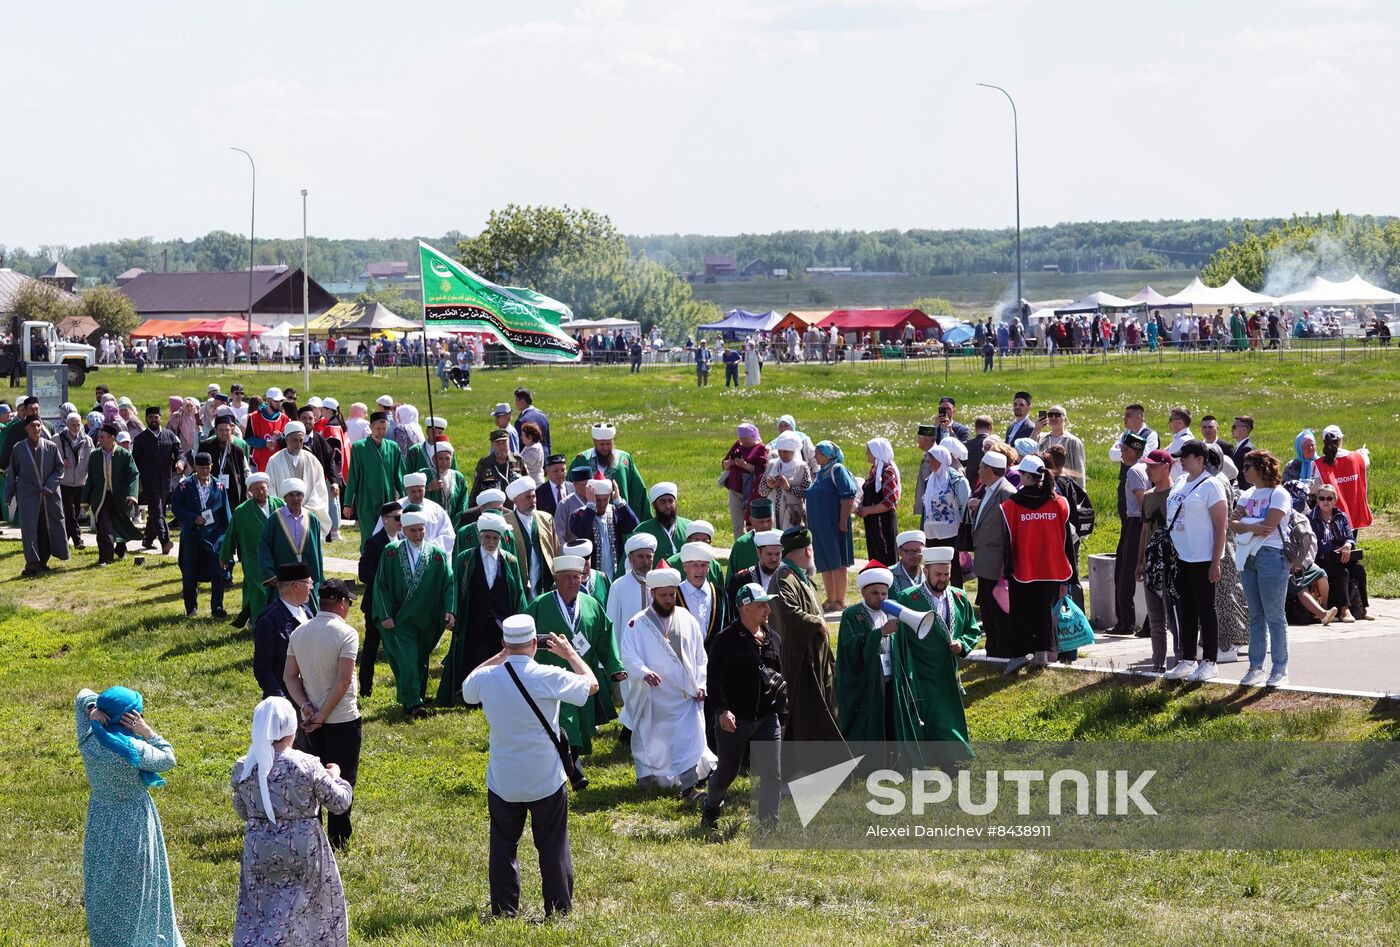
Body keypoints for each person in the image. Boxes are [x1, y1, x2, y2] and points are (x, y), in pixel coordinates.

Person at [461, 614, 597, 918]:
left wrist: (502, 655)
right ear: (536, 643)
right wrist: (571, 654)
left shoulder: (488, 677)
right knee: (553, 846)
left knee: (503, 846)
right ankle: (558, 910)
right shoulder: (548, 674)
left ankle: (504, 910)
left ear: (504, 643)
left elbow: (468, 687)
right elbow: (592, 685)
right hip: (545, 777)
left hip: (503, 778)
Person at [231, 696, 352, 946]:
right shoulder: (306, 764)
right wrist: (336, 777)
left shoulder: (244, 765)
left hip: (259, 847)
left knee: (261, 909)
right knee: (308, 909)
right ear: (291, 727)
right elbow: (339, 803)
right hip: (302, 847)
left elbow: (242, 810)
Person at [76, 686, 183, 947]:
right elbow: (168, 758)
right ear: (128, 718)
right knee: (139, 890)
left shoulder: (88, 739)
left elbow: (82, 695)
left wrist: (92, 710)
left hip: (101, 820)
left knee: (104, 888)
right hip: (133, 824)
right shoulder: (134, 749)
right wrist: (146, 731)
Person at [619, 568, 717, 796]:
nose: (669, 600)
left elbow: (700, 656)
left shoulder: (686, 618)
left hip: (684, 695)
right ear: (652, 593)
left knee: (689, 739)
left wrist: (701, 685)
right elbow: (629, 654)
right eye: (663, 595)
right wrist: (644, 672)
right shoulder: (637, 623)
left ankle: (689, 785)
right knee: (651, 740)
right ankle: (648, 778)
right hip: (653, 696)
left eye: (672, 594)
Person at [283, 579, 362, 849]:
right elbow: (343, 680)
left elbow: (289, 677)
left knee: (311, 781)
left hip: (309, 721)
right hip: (343, 719)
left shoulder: (299, 633)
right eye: (348, 602)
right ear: (341, 603)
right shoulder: (347, 634)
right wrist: (324, 714)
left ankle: (313, 837)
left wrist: (307, 707)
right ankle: (338, 839)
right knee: (341, 779)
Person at [702, 582, 784, 829]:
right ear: (745, 608)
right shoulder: (724, 640)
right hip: (735, 719)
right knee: (727, 772)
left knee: (772, 774)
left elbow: (779, 678)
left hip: (767, 718)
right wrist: (722, 710)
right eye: (761, 605)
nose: (767, 610)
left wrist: (781, 714)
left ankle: (769, 824)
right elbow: (714, 680)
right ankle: (711, 806)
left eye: (767, 604)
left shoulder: (773, 638)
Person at [526, 555, 624, 761]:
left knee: (580, 719)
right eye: (567, 577)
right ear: (556, 579)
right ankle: (569, 763)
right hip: (551, 676)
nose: (573, 582)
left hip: (582, 675)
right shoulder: (540, 604)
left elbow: (605, 636)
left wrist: (615, 666)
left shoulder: (591, 605)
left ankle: (573, 759)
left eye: (576, 577)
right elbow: (525, 639)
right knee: (560, 721)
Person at [890, 546, 979, 758]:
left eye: (946, 574)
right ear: (926, 571)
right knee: (929, 714)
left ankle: (953, 754)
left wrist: (962, 644)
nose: (942, 579)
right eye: (938, 574)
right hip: (920, 669)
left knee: (948, 712)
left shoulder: (959, 596)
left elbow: (972, 629)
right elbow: (899, 636)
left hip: (948, 668)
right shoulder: (908, 597)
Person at [374, 510, 456, 718]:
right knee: (408, 659)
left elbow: (449, 583)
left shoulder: (436, 554)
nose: (418, 535)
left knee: (420, 658)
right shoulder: (391, 552)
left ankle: (415, 694)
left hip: (427, 618)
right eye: (413, 531)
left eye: (421, 530)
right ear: (403, 530)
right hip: (400, 619)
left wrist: (449, 610)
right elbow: (381, 584)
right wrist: (385, 614)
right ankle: (412, 704)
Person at [439, 512, 525, 707]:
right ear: (479, 536)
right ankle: (474, 696)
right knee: (476, 657)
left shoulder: (510, 560)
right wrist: (452, 611)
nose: (491, 542)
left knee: (499, 657)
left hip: (501, 621)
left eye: (495, 538)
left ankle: (498, 695)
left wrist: (520, 621)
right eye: (487, 537)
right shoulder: (466, 558)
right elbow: (454, 586)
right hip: (474, 619)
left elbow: (518, 592)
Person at [768, 527, 844, 747]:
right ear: (808, 550)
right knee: (804, 717)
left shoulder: (800, 577)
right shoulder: (784, 577)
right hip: (800, 660)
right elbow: (789, 611)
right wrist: (817, 622)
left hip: (814, 658)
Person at [999, 455, 1075, 673]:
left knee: (1020, 612)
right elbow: (1066, 540)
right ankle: (1042, 654)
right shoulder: (1059, 503)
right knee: (1044, 611)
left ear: (1024, 476)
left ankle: (1019, 655)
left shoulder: (1011, 505)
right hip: (1051, 568)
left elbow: (1008, 541)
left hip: (1022, 568)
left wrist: (1007, 568)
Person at [1162, 441, 1229, 682]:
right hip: (1180, 556)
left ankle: (1210, 661)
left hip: (1202, 557)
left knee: (1206, 609)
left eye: (1186, 456)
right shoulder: (1181, 481)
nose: (1181, 460)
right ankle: (1188, 659)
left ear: (1200, 459)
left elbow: (1221, 527)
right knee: (1186, 608)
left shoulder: (1212, 485)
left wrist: (1215, 562)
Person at [1230, 449, 1293, 687]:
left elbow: (1269, 526)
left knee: (1275, 615)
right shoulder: (1247, 494)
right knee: (1255, 615)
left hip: (1272, 556)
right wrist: (1251, 526)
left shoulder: (1279, 494)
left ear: (1262, 468)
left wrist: (1247, 524)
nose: (1244, 471)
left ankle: (1280, 669)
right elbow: (1232, 524)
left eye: (1248, 467)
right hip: (1248, 556)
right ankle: (1255, 667)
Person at [170, 452, 231, 617]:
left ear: (212, 467)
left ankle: (217, 607)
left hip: (214, 536)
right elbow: (176, 508)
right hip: (192, 535)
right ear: (195, 467)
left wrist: (229, 536)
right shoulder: (184, 486)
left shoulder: (219, 486)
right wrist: (193, 518)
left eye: (207, 468)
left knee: (218, 570)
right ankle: (191, 608)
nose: (204, 471)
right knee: (190, 570)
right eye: (201, 468)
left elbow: (225, 513)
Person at [1136, 449, 1181, 673]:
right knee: (1156, 620)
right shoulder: (1148, 496)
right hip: (1151, 564)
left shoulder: (1177, 494)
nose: (1148, 470)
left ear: (1166, 467)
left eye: (1153, 466)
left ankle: (1182, 661)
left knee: (1175, 619)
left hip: (1173, 564)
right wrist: (1140, 561)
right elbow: (1145, 530)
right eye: (1147, 466)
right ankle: (1158, 664)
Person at [8, 414, 66, 576]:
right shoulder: (19, 448)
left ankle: (43, 561)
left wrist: (50, 486)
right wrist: (8, 494)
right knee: (29, 530)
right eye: (32, 426)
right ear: (26, 428)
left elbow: (60, 469)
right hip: (28, 497)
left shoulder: (51, 447)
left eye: (38, 425)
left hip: (49, 497)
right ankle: (31, 564)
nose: (36, 429)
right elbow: (12, 472)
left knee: (46, 529)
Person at [343, 410, 406, 554]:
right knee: (368, 535)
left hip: (388, 499)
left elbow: (399, 475)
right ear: (371, 427)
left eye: (384, 429)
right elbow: (353, 476)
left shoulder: (393, 447)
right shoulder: (359, 447)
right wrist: (348, 503)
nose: (381, 432)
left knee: (389, 534)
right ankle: (367, 562)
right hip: (366, 500)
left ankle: (387, 560)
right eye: (378, 428)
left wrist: (404, 497)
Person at [808, 441, 859, 612]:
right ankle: (830, 598)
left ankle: (840, 599)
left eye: (818, 453)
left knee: (837, 562)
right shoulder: (820, 474)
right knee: (825, 561)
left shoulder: (837, 470)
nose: (815, 456)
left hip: (834, 524)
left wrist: (843, 520)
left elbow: (848, 496)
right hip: (819, 526)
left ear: (828, 455)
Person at [253, 563, 316, 698]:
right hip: (287, 698)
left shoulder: (307, 611)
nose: (311, 587)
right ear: (295, 586)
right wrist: (280, 698)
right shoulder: (268, 620)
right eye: (309, 583)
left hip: (312, 695)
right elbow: (262, 668)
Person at [357, 502, 401, 696]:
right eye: (397, 517)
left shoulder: (404, 540)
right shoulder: (374, 543)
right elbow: (363, 573)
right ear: (385, 520)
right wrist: (384, 584)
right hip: (375, 604)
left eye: (403, 517)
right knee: (371, 646)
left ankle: (405, 687)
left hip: (398, 604)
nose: (401, 521)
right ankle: (365, 688)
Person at [259, 478, 325, 607]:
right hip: (284, 574)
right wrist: (269, 572)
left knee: (309, 609)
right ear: (285, 498)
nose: (295, 499)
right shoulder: (275, 519)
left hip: (307, 573)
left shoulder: (312, 519)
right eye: (291, 495)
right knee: (284, 608)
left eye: (299, 494)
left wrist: (320, 577)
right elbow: (263, 546)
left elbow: (318, 550)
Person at [83, 423, 141, 565]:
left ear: (112, 438)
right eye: (99, 437)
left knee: (120, 524)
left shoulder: (124, 454)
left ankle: (121, 549)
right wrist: (85, 500)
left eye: (102, 437)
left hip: (120, 497)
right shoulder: (95, 455)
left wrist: (132, 495)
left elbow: (134, 475)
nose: (99, 439)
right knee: (104, 528)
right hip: (101, 498)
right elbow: (90, 478)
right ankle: (105, 558)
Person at [1311, 482, 1369, 622]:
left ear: (1335, 500)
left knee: (1359, 569)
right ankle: (1344, 610)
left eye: (1329, 498)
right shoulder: (1311, 518)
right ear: (1317, 500)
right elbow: (1316, 543)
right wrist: (1337, 548)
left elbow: (1350, 536)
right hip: (1322, 559)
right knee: (1342, 572)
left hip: (1341, 556)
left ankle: (1363, 608)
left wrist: (1348, 545)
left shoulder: (1341, 516)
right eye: (1322, 498)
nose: (1325, 501)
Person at [265, 420, 332, 539]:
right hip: (283, 515)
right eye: (294, 440)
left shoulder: (312, 460)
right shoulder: (274, 461)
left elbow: (319, 488)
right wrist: (284, 510)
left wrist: (306, 509)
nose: (298, 444)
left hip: (308, 514)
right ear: (286, 440)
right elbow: (270, 489)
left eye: (301, 440)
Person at [132, 405, 182, 555]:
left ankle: (147, 539)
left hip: (165, 482)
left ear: (160, 418)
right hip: (149, 483)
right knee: (158, 512)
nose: (153, 420)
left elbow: (179, 453)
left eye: (156, 417)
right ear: (146, 419)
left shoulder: (170, 435)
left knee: (156, 512)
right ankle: (165, 541)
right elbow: (135, 463)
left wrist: (180, 463)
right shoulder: (140, 439)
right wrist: (138, 483)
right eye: (150, 417)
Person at [570, 478, 640, 579]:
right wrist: (591, 506)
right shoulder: (579, 514)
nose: (602, 504)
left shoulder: (615, 511)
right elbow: (582, 532)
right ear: (590, 497)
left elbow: (633, 525)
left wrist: (618, 500)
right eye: (598, 500)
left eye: (605, 500)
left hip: (615, 574)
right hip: (592, 574)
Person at [918, 445, 969, 581]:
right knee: (933, 564)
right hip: (931, 531)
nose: (928, 462)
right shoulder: (930, 480)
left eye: (931, 460)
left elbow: (965, 505)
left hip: (951, 532)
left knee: (952, 564)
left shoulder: (957, 480)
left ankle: (956, 590)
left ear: (941, 460)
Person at [505, 475, 557, 598]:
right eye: (527, 497)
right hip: (520, 583)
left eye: (534, 496)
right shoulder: (506, 523)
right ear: (515, 500)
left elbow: (556, 549)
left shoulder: (546, 518)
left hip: (545, 582)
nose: (533, 500)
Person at [605, 532, 658, 647]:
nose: (645, 561)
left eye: (649, 556)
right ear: (630, 558)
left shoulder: (659, 583)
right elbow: (613, 626)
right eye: (640, 556)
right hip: (628, 650)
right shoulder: (619, 586)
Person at [1315, 425, 1371, 530]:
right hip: (1355, 510)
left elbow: (1316, 487)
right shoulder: (1357, 457)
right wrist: (1363, 453)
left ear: (1324, 441)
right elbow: (1366, 463)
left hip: (1332, 514)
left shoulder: (1320, 463)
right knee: (1351, 537)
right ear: (1340, 439)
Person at [857, 437, 901, 568]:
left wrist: (867, 510)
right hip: (873, 523)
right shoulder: (874, 470)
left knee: (887, 558)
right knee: (875, 557)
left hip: (883, 523)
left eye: (869, 450)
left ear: (876, 452)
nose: (867, 453)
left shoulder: (887, 472)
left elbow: (889, 502)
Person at [720, 423, 767, 538]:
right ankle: (740, 546)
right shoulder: (738, 445)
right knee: (737, 524)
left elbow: (762, 471)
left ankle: (757, 544)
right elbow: (724, 464)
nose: (742, 441)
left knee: (753, 523)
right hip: (735, 489)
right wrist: (730, 462)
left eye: (745, 438)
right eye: (741, 438)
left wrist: (745, 465)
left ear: (753, 437)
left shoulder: (761, 448)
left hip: (753, 492)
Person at [55, 411, 93, 550]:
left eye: (78, 424)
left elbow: (91, 458)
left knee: (75, 513)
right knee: (69, 512)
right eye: (72, 425)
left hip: (81, 482)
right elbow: (51, 457)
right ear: (67, 424)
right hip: (64, 482)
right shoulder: (57, 439)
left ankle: (63, 540)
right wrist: (61, 461)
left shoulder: (87, 440)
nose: (76, 428)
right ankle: (78, 540)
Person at [758, 431, 811, 529]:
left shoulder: (802, 467)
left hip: (792, 514)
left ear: (793, 451)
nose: (782, 455)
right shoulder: (772, 464)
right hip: (772, 512)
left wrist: (789, 488)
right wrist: (769, 486)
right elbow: (761, 491)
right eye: (780, 452)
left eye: (785, 452)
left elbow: (807, 493)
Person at [677, 541, 727, 643]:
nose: (700, 570)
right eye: (695, 565)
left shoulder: (721, 595)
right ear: (685, 567)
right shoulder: (674, 594)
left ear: (708, 568)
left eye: (703, 565)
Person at [726, 527, 785, 607]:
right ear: (758, 553)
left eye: (777, 554)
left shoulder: (787, 577)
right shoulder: (741, 580)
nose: (774, 559)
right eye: (769, 554)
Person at [632, 481, 690, 560]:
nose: (668, 506)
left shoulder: (689, 527)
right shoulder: (642, 530)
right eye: (662, 502)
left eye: (671, 501)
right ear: (654, 505)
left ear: (675, 502)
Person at [724, 497, 775, 585]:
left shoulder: (782, 539)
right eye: (761, 522)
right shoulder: (742, 545)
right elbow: (731, 581)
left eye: (769, 520)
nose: (766, 525)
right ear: (751, 520)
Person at [472, 429, 529, 506]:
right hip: (494, 508)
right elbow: (476, 490)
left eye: (504, 443)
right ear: (492, 445)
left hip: (515, 507)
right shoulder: (484, 463)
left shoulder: (518, 460)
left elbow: (526, 484)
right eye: (498, 444)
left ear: (509, 442)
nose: (502, 447)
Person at [1038, 405, 1086, 487]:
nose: (1053, 417)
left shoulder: (1074, 441)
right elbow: (1028, 452)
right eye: (1050, 415)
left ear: (1065, 419)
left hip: (1066, 486)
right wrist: (1036, 429)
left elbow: (1079, 468)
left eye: (1057, 415)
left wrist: (1081, 490)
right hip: (1044, 485)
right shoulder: (1041, 438)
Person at [427, 441, 470, 527]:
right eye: (440, 459)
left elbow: (463, 504)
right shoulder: (424, 475)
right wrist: (429, 488)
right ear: (433, 459)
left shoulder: (458, 478)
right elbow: (414, 497)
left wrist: (453, 525)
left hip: (453, 525)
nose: (444, 462)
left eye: (447, 459)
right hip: (430, 524)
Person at [245, 388, 288, 471]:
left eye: (281, 401)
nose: (279, 403)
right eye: (276, 401)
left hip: (278, 462)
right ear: (268, 400)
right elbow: (248, 438)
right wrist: (265, 443)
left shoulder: (284, 419)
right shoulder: (253, 417)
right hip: (256, 462)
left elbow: (287, 441)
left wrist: (280, 438)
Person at [515, 386, 551, 454]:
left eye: (516, 400)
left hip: (529, 457)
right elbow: (548, 443)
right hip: (545, 456)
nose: (515, 403)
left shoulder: (521, 421)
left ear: (523, 402)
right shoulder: (544, 417)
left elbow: (518, 447)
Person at [1230, 416, 1255, 490]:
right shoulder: (1241, 446)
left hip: (1243, 490)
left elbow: (1245, 475)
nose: (1231, 429)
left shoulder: (1246, 449)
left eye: (1234, 427)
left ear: (1244, 429)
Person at [519, 421, 546, 485]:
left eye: (523, 435)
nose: (521, 437)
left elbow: (520, 465)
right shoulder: (528, 446)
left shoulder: (534, 449)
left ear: (530, 437)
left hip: (535, 484)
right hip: (530, 482)